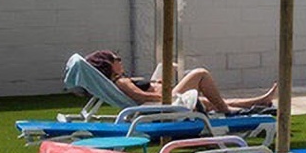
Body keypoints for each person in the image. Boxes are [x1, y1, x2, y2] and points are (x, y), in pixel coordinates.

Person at [85, 49, 275, 115]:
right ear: (108, 65)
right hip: (165, 103)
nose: (120, 60)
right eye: (116, 59)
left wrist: (155, 82)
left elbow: (141, 88)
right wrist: (165, 94)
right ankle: (228, 113)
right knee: (200, 74)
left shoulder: (122, 79)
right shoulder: (120, 82)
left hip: (164, 100)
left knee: (216, 102)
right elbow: (139, 96)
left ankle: (260, 101)